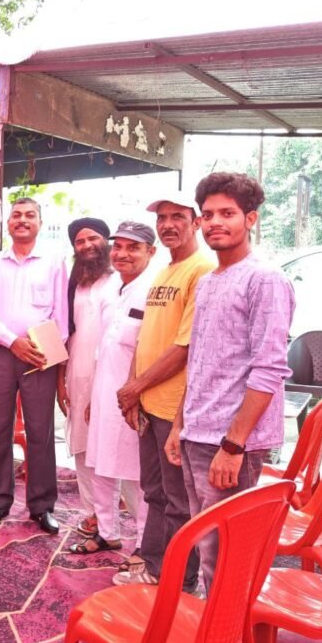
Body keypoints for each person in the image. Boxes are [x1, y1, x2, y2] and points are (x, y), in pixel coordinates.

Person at [166, 172, 294, 589]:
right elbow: (200, 359)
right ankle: (216, 622)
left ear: (250, 219)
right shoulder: (208, 282)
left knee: (225, 557)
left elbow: (269, 369)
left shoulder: (265, 279)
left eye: (228, 213)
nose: (215, 222)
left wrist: (233, 446)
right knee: (207, 546)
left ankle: (228, 628)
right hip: (197, 434)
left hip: (230, 442)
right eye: (208, 215)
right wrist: (179, 425)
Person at [113, 192, 214, 590]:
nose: (168, 224)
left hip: (176, 409)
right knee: (154, 492)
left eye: (178, 217)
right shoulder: (165, 271)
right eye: (162, 218)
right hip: (150, 404)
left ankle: (179, 581)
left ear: (197, 223)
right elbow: (147, 338)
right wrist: (134, 391)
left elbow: (184, 347)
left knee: (179, 501)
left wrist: (136, 386)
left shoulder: (201, 270)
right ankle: (154, 564)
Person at [0, 198, 69, 532]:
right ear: (8, 223)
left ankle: (41, 506)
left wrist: (43, 347)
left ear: (40, 223)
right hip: (0, 352)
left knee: (40, 431)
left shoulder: (54, 262)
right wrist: (12, 341)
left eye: (30, 215)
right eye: (16, 215)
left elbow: (61, 313)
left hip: (39, 356)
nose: (22, 220)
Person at [72, 222, 156, 554]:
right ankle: (107, 533)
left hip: (135, 396)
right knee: (100, 465)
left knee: (138, 475)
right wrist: (94, 396)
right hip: (104, 392)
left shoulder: (153, 291)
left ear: (151, 252)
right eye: (118, 246)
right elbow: (102, 348)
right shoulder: (113, 289)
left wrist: (135, 393)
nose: (123, 254)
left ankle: (144, 545)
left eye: (133, 247)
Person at [56, 217, 112, 538]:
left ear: (106, 241)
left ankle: (119, 515)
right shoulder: (73, 285)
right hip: (77, 376)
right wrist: (59, 382)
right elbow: (65, 335)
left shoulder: (120, 281)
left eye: (93, 238)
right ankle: (92, 513)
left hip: (113, 377)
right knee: (82, 445)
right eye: (80, 241)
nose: (88, 245)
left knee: (113, 446)